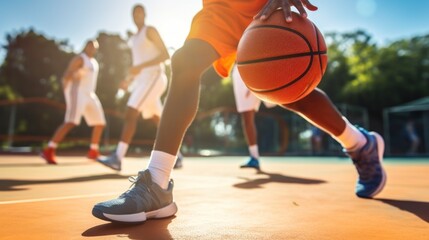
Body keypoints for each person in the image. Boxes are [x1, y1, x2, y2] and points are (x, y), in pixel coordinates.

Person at [92, 0, 386, 223]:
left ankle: (360, 144)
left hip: (260, 5)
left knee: (287, 89)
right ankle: (156, 185)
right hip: (220, 8)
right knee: (184, 62)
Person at [96, 4, 183, 171]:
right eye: (134, 13)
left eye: (140, 12)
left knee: (131, 112)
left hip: (154, 77)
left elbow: (165, 54)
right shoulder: (134, 39)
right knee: (159, 119)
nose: (137, 15)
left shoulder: (149, 30)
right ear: (132, 16)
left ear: (145, 15)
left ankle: (117, 158)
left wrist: (141, 67)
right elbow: (136, 66)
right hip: (142, 81)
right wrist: (128, 80)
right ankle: (177, 156)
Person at [41, 40, 105, 164]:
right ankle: (49, 149)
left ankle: (93, 151)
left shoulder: (94, 62)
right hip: (78, 93)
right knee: (71, 122)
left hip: (90, 94)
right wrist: (74, 75)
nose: (92, 48)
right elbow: (66, 76)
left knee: (100, 123)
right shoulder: (80, 59)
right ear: (86, 46)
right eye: (90, 46)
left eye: (94, 47)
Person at [214, 60, 276, 170]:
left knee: (247, 119)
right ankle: (254, 156)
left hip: (248, 69)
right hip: (245, 69)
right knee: (247, 119)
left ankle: (255, 157)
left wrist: (252, 80)